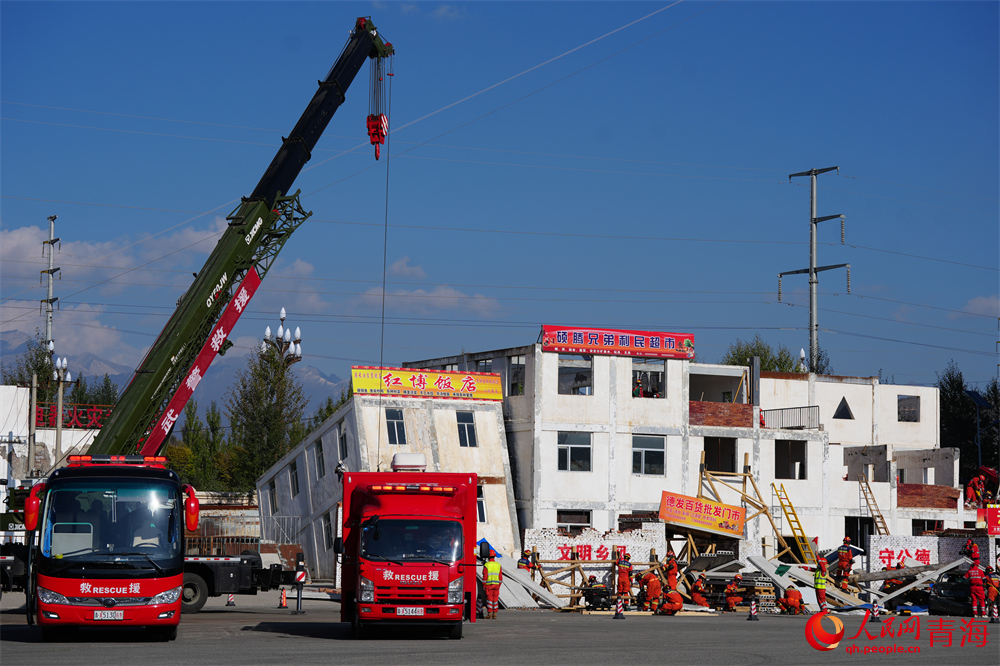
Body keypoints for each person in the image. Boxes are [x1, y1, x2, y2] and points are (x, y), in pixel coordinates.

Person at [482, 550, 502, 619]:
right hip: (496, 585)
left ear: (488, 556)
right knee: (495, 599)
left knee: (489, 599)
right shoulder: (498, 565)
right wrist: (499, 585)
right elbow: (500, 577)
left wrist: (484, 585)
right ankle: (495, 614)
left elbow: (485, 576)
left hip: (489, 585)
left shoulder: (487, 565)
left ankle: (490, 614)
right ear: (494, 557)